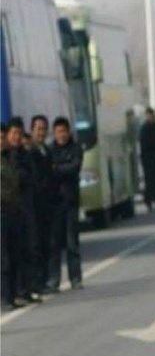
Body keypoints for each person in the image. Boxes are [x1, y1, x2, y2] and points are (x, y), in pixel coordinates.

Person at [44, 117, 84, 293]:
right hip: (54, 203)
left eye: (64, 131)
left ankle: (75, 278)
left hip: (71, 202)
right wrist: (59, 169)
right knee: (54, 244)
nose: (61, 135)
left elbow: (74, 168)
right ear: (54, 133)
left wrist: (57, 168)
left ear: (68, 132)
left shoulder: (76, 149)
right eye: (58, 131)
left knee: (72, 243)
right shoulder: (49, 150)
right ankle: (54, 280)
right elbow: (48, 172)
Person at [1, 123, 27, 308]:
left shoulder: (9, 159)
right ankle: (4, 298)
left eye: (2, 138)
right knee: (3, 257)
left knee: (12, 253)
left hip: (12, 210)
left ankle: (11, 295)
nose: (1, 142)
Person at [30, 114, 53, 299]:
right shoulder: (30, 152)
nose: (41, 132)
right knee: (36, 244)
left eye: (44, 129)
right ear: (32, 130)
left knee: (47, 243)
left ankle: (45, 280)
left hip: (47, 205)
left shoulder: (47, 150)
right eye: (38, 129)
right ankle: (37, 282)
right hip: (35, 205)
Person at [139, 107, 155, 210]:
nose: (151, 117)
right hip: (148, 159)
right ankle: (149, 201)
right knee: (149, 181)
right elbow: (144, 144)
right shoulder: (144, 128)